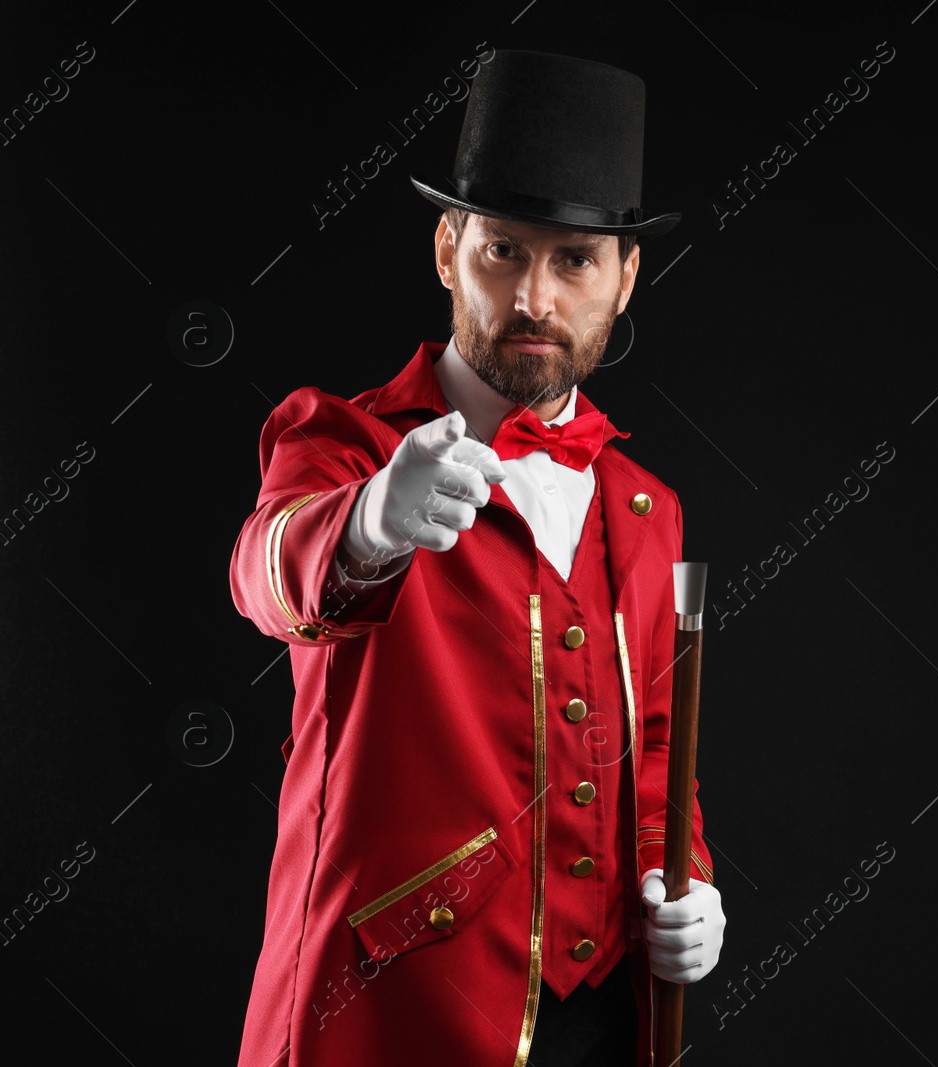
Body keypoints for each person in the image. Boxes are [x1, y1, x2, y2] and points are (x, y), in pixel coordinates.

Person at [229, 49, 724, 1067]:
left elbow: (655, 756)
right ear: (449, 249)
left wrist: (686, 878)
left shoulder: (647, 506)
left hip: (607, 1014)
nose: (534, 296)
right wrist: (369, 523)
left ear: (625, 278)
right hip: (392, 1006)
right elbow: (267, 572)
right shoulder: (342, 443)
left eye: (574, 259)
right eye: (504, 250)